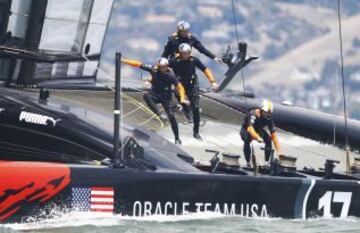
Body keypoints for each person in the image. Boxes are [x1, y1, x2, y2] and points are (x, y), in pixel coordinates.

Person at [121, 57, 188, 144]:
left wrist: (182, 98)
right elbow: (138, 64)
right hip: (155, 94)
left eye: (164, 67)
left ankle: (177, 138)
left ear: (167, 66)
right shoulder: (154, 69)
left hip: (166, 97)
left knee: (171, 117)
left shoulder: (171, 75)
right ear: (158, 66)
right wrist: (124, 61)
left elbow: (180, 87)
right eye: (161, 67)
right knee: (145, 95)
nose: (163, 69)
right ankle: (159, 115)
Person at [169, 43, 218, 140]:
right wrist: (151, 80)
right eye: (183, 53)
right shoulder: (173, 61)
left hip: (192, 85)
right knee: (180, 97)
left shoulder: (194, 60)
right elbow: (159, 68)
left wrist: (213, 82)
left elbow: (205, 69)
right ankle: (186, 112)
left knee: (195, 108)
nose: (185, 55)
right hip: (180, 85)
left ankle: (196, 132)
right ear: (180, 53)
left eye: (187, 53)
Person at [240, 99, 281, 167]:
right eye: (266, 112)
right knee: (247, 140)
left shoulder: (269, 118)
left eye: (269, 112)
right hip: (246, 129)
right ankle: (248, 162)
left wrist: (279, 151)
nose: (267, 114)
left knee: (268, 139)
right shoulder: (253, 114)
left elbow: (273, 135)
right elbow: (250, 128)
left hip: (258, 130)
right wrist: (257, 137)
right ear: (261, 110)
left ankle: (267, 162)